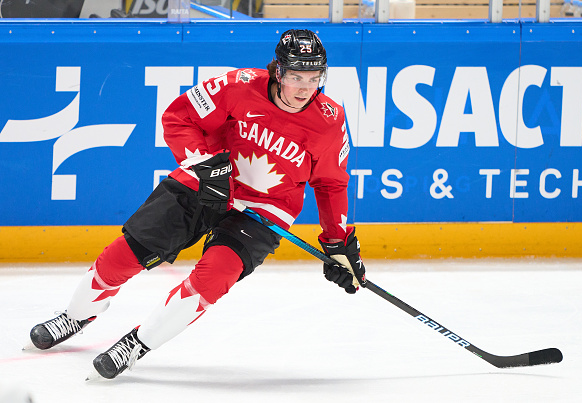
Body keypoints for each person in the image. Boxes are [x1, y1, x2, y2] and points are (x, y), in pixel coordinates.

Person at [28, 29, 366, 380]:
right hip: (205, 182)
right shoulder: (237, 85)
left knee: (213, 277)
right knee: (123, 256)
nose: (304, 89)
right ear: (278, 71)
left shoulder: (330, 120)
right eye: (296, 76)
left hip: (266, 210)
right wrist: (206, 165)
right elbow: (179, 118)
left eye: (314, 78)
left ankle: (135, 344)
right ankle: (77, 314)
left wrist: (337, 241)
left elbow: (330, 183)